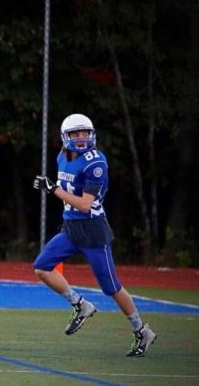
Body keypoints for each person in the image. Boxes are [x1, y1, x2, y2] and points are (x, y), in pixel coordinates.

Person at [32, 113, 157, 357]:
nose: (81, 138)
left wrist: (53, 189)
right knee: (41, 267)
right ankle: (81, 304)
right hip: (71, 229)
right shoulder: (62, 157)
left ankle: (143, 331)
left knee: (111, 287)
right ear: (64, 137)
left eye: (84, 133)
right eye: (75, 134)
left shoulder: (96, 163)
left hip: (93, 232)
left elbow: (85, 205)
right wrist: (55, 190)